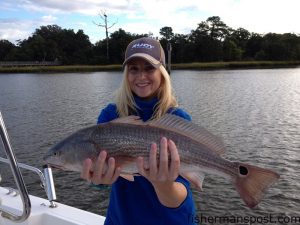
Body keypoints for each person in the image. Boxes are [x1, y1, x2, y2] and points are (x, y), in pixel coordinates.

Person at [81, 37, 196, 225]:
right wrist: (99, 180)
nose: (141, 76)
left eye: (149, 68)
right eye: (134, 69)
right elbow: (101, 180)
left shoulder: (178, 117)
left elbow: (181, 191)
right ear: (126, 74)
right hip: (122, 219)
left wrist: (163, 185)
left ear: (162, 72)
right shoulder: (111, 114)